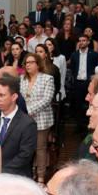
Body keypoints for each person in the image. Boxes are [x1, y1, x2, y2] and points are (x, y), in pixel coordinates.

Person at [0, 74, 37, 177]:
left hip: (16, 178)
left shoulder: (27, 124)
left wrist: (0, 172)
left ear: (14, 97)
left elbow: (25, 156)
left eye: (1, 95)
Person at [20, 53, 55, 183]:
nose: (27, 65)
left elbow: (47, 99)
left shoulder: (47, 78)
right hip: (25, 120)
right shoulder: (22, 79)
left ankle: (40, 178)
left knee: (40, 148)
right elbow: (20, 98)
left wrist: (28, 110)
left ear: (38, 64)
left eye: (30, 62)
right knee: (26, 147)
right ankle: (29, 173)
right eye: (26, 63)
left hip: (41, 119)